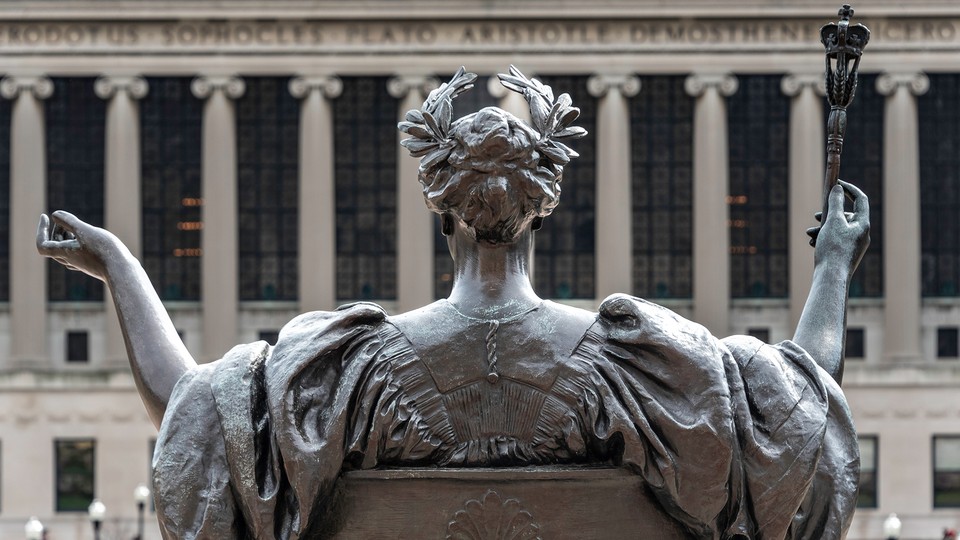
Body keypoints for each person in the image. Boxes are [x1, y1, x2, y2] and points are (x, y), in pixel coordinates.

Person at [37, 67, 869, 539]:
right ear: (543, 211)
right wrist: (833, 266)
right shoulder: (640, 368)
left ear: (442, 215)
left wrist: (118, 267)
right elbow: (796, 424)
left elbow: (192, 415)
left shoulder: (347, 373)